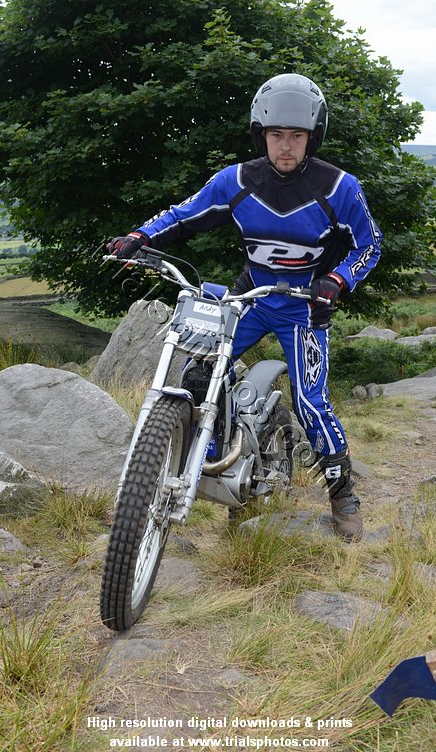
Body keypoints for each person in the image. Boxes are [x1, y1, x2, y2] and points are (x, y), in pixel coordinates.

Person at [108, 73, 382, 541]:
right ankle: (209, 456)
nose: (286, 146)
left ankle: (342, 495)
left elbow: (370, 244)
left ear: (313, 137)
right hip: (249, 297)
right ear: (261, 135)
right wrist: (140, 235)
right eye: (276, 135)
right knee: (197, 372)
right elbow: (184, 214)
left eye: (296, 136)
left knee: (311, 404)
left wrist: (338, 280)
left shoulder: (340, 188)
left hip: (304, 307)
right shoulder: (235, 181)